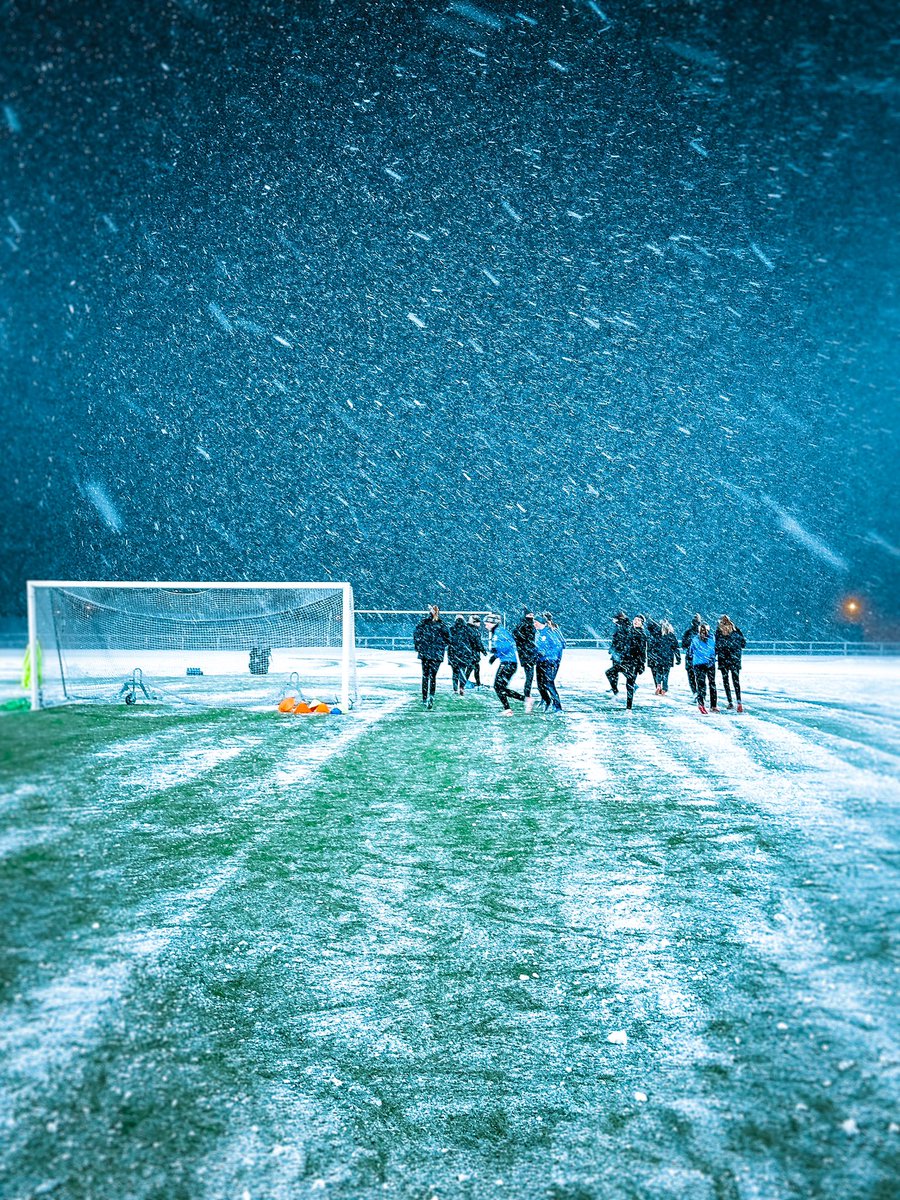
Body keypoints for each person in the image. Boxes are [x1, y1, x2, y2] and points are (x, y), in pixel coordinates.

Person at [483, 614, 525, 716]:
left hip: (508, 663)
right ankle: (513, 705)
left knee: (498, 687)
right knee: (499, 687)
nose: (485, 626)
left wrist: (495, 654)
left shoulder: (499, 632)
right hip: (508, 663)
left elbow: (507, 645)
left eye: (486, 624)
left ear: (492, 623)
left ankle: (514, 705)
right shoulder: (498, 631)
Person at [413, 604, 450, 710]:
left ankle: (424, 698)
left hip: (425, 653)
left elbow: (416, 635)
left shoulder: (423, 623)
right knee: (433, 676)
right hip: (436, 654)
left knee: (425, 675)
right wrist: (441, 645)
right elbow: (448, 638)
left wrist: (419, 646)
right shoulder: (442, 625)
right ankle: (431, 696)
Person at [534, 612, 565, 711]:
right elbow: (538, 647)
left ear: (540, 622)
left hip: (550, 661)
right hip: (540, 661)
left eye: (535, 622)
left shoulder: (550, 632)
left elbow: (559, 646)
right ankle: (546, 701)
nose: (534, 624)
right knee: (540, 684)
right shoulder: (538, 633)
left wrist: (547, 654)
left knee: (549, 683)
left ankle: (557, 707)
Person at [716, 614, 747, 712]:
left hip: (723, 659)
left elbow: (716, 646)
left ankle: (730, 701)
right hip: (734, 659)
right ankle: (739, 701)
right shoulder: (736, 631)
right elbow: (743, 644)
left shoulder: (719, 632)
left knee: (726, 681)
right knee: (736, 681)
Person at [618, 614, 648, 711]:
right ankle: (629, 704)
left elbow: (643, 651)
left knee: (629, 683)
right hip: (626, 660)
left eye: (639, 620)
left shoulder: (642, 634)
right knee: (628, 682)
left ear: (642, 623)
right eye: (635, 619)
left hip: (635, 662)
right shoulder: (629, 632)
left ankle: (629, 706)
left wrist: (642, 664)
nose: (636, 621)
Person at [513, 608, 537, 714]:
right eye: (530, 614)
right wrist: (526, 645)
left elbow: (516, 636)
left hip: (526, 653)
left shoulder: (522, 624)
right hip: (527, 654)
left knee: (530, 676)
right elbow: (518, 636)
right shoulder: (526, 625)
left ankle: (527, 695)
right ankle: (527, 696)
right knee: (530, 676)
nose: (532, 616)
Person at [690, 623, 718, 714]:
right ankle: (713, 705)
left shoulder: (695, 639)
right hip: (709, 663)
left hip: (698, 664)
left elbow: (691, 651)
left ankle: (701, 703)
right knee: (712, 684)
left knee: (701, 685)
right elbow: (714, 651)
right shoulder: (712, 639)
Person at [448, 614, 476, 695]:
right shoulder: (468, 629)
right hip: (464, 654)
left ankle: (455, 689)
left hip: (453, 653)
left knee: (455, 672)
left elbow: (447, 640)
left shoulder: (451, 629)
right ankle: (462, 687)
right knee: (462, 671)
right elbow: (473, 641)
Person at [605, 611, 630, 695]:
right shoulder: (620, 626)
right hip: (617, 653)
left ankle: (616, 688)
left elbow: (620, 640)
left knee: (617, 670)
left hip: (619, 653)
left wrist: (616, 649)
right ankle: (614, 687)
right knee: (616, 671)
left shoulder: (623, 627)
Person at [655, 620, 681, 694]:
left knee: (659, 672)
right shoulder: (672, 636)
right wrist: (678, 658)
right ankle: (664, 688)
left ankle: (658, 685)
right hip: (668, 657)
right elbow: (676, 648)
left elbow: (655, 646)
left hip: (659, 657)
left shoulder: (659, 635)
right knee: (666, 673)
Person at [681, 613, 702, 696]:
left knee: (692, 677)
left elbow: (684, 645)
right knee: (699, 677)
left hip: (691, 657)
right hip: (699, 657)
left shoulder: (688, 632)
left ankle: (695, 692)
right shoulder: (701, 632)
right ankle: (699, 693)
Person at [465, 615, 486, 687]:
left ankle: (476, 683)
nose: (479, 624)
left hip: (469, 652)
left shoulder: (467, 628)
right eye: (478, 622)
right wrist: (483, 651)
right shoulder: (474, 630)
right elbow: (478, 642)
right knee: (473, 668)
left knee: (474, 668)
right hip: (473, 653)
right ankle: (465, 683)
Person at [645, 619, 664, 694]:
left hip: (652, 656)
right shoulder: (660, 634)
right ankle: (660, 685)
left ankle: (657, 685)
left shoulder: (650, 636)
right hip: (658, 656)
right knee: (659, 671)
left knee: (654, 672)